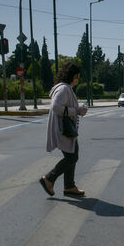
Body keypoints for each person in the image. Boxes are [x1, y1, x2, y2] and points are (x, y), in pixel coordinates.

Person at [39, 61, 88, 197]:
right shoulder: (64, 89)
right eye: (76, 77)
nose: (77, 80)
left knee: (72, 154)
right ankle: (49, 179)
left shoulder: (65, 88)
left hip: (65, 128)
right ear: (70, 76)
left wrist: (78, 111)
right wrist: (76, 111)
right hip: (64, 129)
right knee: (72, 157)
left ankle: (69, 186)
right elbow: (56, 107)